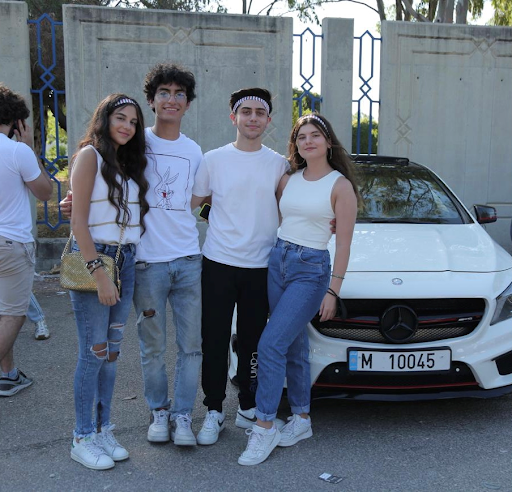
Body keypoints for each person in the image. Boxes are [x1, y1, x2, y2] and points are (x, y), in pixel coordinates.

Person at [61, 63, 204, 447]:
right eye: (120, 119)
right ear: (152, 100)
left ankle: (142, 423)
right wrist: (74, 210)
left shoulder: (170, 152)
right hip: (135, 263)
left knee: (160, 348)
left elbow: (201, 200)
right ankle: (95, 432)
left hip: (162, 260)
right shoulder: (106, 152)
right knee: (118, 349)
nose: (126, 126)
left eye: (179, 94)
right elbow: (84, 210)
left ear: (187, 103)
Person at [238, 113, 359, 466]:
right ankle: (302, 418)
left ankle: (264, 426)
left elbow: (345, 245)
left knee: (270, 343)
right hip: (278, 260)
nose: (308, 141)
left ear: (328, 142)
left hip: (311, 269)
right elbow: (277, 217)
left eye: (315, 135)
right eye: (302, 137)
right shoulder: (288, 178)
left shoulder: (340, 186)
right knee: (292, 341)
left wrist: (332, 291)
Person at [191, 88, 288, 445]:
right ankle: (214, 409)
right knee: (214, 339)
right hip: (218, 261)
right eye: (245, 112)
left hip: (261, 266)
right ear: (234, 118)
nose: (252, 118)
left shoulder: (278, 163)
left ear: (268, 120)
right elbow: (195, 203)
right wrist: (217, 216)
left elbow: (291, 206)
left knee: (252, 342)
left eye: (259, 113)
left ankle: (247, 405)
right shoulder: (212, 160)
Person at [68, 93, 149, 470]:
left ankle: (103, 428)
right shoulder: (91, 156)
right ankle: (82, 436)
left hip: (126, 257)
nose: (127, 126)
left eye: (133, 122)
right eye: (121, 118)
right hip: (97, 258)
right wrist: (99, 275)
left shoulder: (127, 163)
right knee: (93, 352)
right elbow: (77, 223)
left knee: (112, 353)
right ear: (104, 118)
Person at [0, 84, 53, 398]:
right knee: (14, 314)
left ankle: (8, 375)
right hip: (11, 243)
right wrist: (30, 147)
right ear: (18, 121)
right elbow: (45, 191)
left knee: (2, 312)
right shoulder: (17, 151)